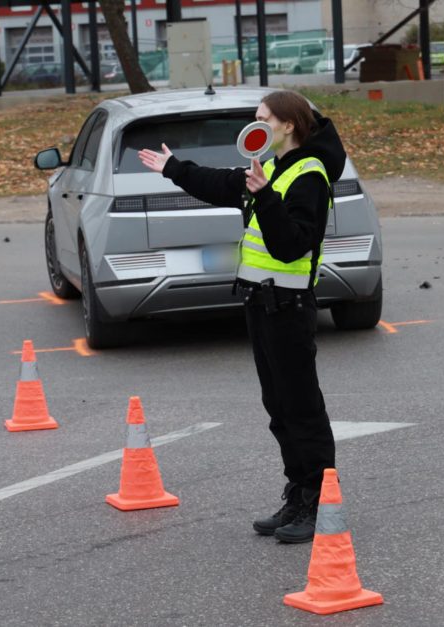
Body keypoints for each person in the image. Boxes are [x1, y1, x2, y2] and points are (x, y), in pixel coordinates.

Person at [138, 90, 346, 543]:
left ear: (288, 124)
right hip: (259, 304)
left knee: (302, 409)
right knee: (278, 408)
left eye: (262, 117)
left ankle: (319, 501)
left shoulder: (309, 175)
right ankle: (298, 493)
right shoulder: (269, 168)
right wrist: (174, 169)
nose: (255, 124)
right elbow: (218, 183)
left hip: (289, 307)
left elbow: (292, 244)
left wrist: (266, 198)